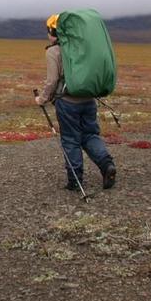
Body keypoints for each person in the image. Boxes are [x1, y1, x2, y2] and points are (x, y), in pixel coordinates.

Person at [34, 14, 117, 191]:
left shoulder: (53, 51)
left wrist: (41, 99)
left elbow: (52, 81)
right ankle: (107, 165)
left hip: (67, 103)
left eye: (49, 31)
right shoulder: (81, 47)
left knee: (70, 140)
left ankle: (74, 180)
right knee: (90, 135)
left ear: (53, 31)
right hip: (88, 99)